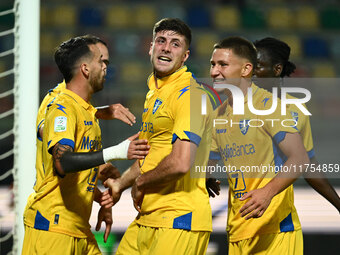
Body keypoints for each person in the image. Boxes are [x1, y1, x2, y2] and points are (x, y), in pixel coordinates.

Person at [22, 36, 149, 254]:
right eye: (102, 61)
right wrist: (117, 151)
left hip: (78, 226)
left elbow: (78, 169)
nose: (106, 68)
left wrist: (102, 199)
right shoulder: (60, 106)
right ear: (85, 68)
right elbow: (62, 163)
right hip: (53, 227)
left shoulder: (86, 109)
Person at [104, 18, 214, 255]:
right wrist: (121, 184)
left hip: (179, 219)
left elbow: (180, 162)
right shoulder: (156, 92)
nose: (166, 47)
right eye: (161, 41)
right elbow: (150, 153)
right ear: (151, 48)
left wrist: (140, 184)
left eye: (175, 44)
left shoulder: (191, 95)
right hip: (148, 216)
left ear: (185, 56)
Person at [208, 36, 310, 254]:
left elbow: (300, 159)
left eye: (223, 65)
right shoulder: (219, 114)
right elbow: (212, 157)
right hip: (238, 230)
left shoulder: (269, 106)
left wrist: (267, 192)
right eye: (213, 64)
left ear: (246, 69)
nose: (214, 71)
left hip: (275, 232)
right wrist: (207, 173)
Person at [253, 37, 340, 213]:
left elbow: (307, 164)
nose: (250, 72)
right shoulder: (236, 106)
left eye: (258, 66)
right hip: (242, 210)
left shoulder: (295, 108)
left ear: (277, 69)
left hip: (279, 212)